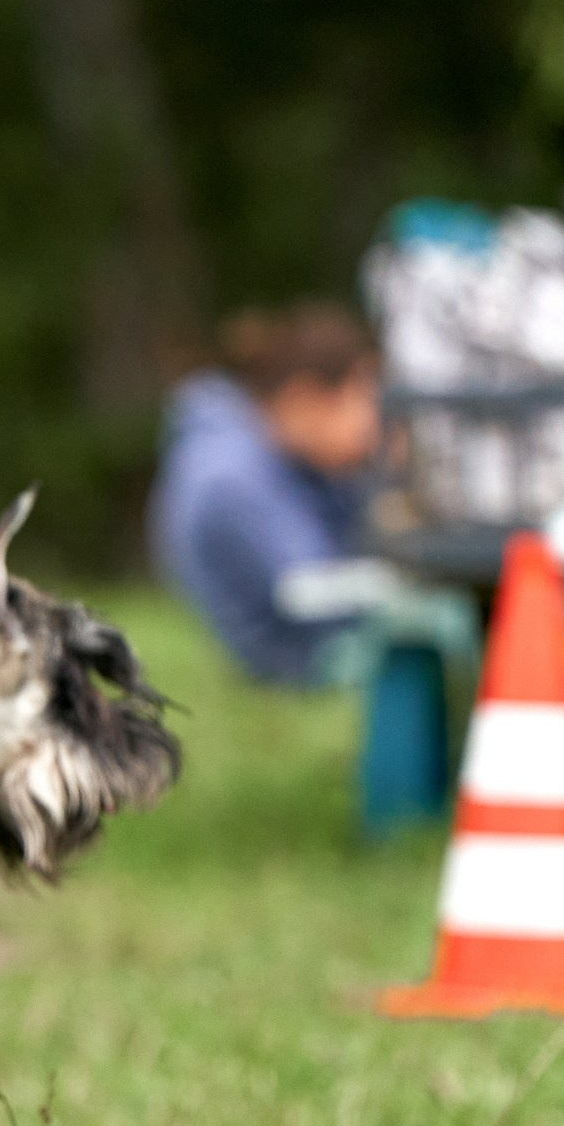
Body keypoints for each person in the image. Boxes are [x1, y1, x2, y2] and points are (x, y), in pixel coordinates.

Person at [150, 304, 471, 828]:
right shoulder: (231, 474)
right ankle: (403, 825)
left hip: (313, 627)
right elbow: (304, 592)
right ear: (304, 399)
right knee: (433, 628)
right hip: (290, 647)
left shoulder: (269, 454)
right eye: (361, 398)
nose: (373, 421)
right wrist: (419, 577)